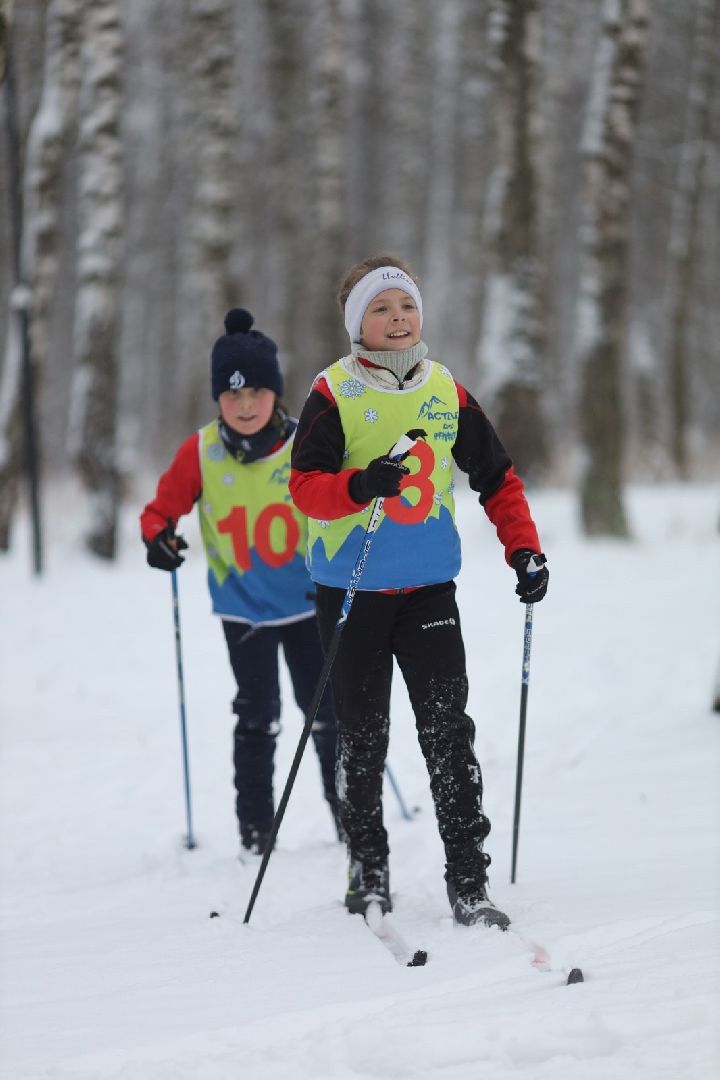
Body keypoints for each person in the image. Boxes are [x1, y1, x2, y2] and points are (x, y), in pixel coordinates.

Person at [289, 255, 549, 929]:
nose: (398, 317)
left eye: (406, 305)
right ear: (358, 324)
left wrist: (524, 549)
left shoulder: (445, 389)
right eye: (381, 308)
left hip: (429, 590)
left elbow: (497, 477)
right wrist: (359, 485)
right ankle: (368, 869)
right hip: (350, 591)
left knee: (447, 733)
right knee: (363, 737)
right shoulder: (333, 392)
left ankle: (469, 880)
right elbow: (305, 487)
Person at [140, 308, 340, 856]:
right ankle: (255, 829)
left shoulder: (305, 443)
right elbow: (159, 512)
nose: (245, 405)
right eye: (232, 395)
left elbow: (339, 501)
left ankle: (350, 817)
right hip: (243, 608)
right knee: (257, 715)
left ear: (276, 393)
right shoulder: (201, 451)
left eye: (256, 392)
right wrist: (159, 539)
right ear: (218, 398)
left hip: (308, 603)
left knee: (326, 713)